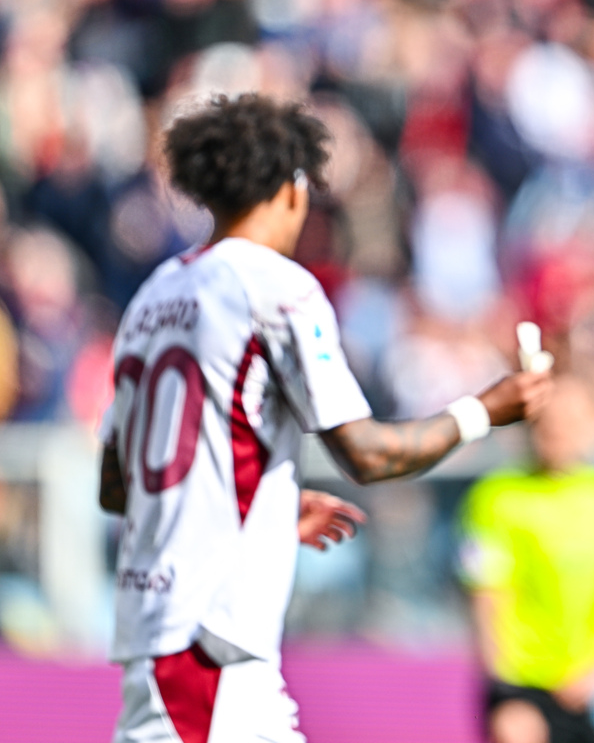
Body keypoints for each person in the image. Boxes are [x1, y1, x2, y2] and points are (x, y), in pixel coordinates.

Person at [98, 93, 551, 743]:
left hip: (173, 632)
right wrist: (486, 409)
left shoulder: (152, 297)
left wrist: (265, 513)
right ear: (289, 189)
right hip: (209, 644)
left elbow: (118, 484)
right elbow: (367, 454)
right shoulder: (276, 286)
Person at [458, 378, 594, 743]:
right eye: (548, 423)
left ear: (589, 428)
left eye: (570, 422)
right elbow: (485, 593)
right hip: (520, 683)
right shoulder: (495, 496)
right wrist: (502, 681)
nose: (558, 432)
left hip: (580, 687)